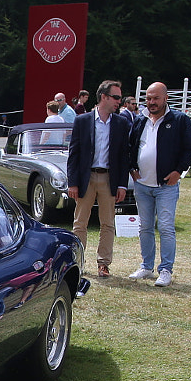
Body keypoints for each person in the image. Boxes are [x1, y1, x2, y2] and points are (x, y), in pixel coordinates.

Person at [126, 81, 191, 286]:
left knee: (166, 227)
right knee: (145, 227)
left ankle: (165, 270)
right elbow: (131, 146)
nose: (151, 102)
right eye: (148, 98)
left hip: (166, 186)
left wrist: (178, 171)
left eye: (156, 98)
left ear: (165, 98)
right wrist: (132, 167)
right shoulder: (140, 121)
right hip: (142, 185)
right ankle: (147, 266)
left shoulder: (179, 120)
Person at [66, 79, 130, 279]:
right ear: (104, 97)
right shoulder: (82, 121)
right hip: (86, 178)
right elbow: (73, 154)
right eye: (116, 97)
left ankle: (104, 264)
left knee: (107, 223)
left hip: (109, 179)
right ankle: (78, 261)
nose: (119, 101)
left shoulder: (121, 123)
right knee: (80, 223)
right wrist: (73, 182)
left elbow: (123, 156)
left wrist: (122, 184)